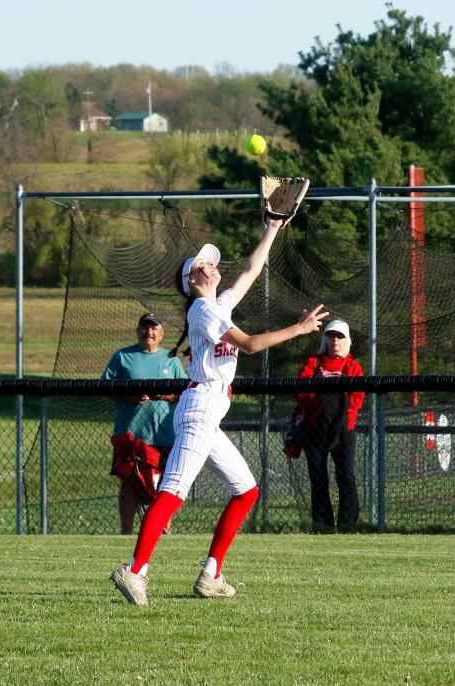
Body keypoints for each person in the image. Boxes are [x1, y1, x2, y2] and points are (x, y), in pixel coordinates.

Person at [110, 216, 328, 605]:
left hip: (210, 412)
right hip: (199, 407)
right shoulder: (203, 312)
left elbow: (250, 270)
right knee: (173, 490)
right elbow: (248, 344)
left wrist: (273, 228)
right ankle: (135, 570)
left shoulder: (219, 306)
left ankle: (211, 574)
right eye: (202, 265)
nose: (211, 265)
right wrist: (297, 329)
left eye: (210, 262)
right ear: (191, 282)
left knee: (246, 490)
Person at [102, 313, 187, 534]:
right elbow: (104, 387)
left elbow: (184, 393)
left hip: (164, 435)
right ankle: (126, 533)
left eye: (154, 328)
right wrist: (129, 396)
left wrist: (166, 394)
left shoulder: (171, 359)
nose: (149, 332)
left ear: (161, 333)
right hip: (131, 435)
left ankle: (160, 529)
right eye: (144, 327)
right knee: (129, 484)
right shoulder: (122, 357)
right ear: (138, 330)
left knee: (165, 484)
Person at [295, 319, 365, 532]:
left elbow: (357, 398)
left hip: (344, 430)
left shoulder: (352, 366)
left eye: (340, 336)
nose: (335, 340)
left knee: (345, 476)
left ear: (347, 340)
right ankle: (322, 524)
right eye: (331, 335)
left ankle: (347, 525)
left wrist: (342, 417)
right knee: (318, 477)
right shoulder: (313, 363)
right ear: (324, 338)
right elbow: (301, 391)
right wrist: (318, 411)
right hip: (315, 429)